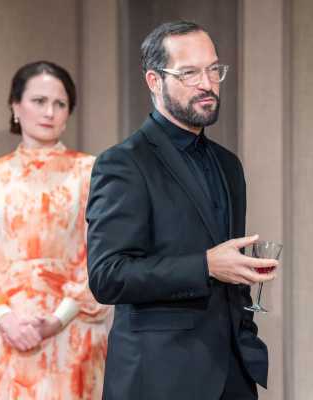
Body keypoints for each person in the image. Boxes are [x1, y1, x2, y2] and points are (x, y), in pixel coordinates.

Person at [86, 21, 279, 400]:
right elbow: (107, 276)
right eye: (189, 73)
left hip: (233, 373)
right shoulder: (124, 163)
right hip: (160, 377)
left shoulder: (228, 164)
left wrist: (242, 278)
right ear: (154, 82)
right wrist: (206, 264)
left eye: (213, 69)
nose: (207, 83)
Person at [0, 61, 109, 400]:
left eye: (60, 104)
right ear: (15, 105)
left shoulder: (92, 171)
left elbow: (101, 254)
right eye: (39, 101)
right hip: (0, 334)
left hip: (70, 331)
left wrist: (58, 318)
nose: (49, 112)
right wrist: (5, 319)